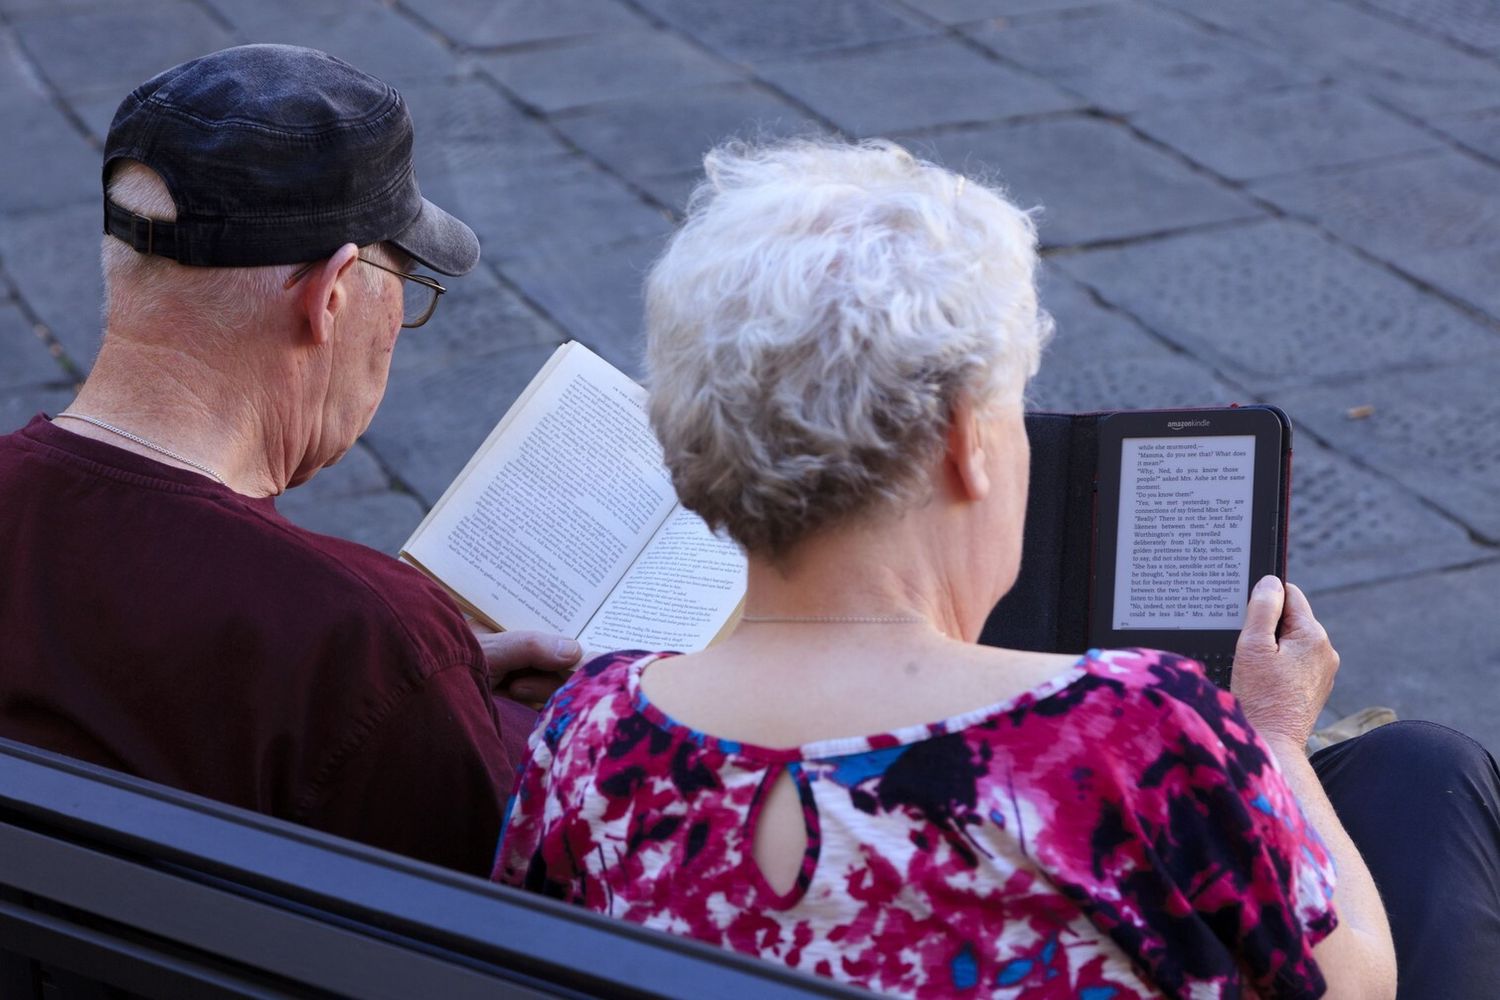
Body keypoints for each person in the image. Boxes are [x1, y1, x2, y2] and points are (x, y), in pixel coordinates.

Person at [495, 138, 1500, 997]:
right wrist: (1275, 738)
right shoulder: (1126, 733)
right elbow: (1346, 983)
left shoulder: (590, 736)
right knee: (1425, 775)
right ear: (968, 440)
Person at [0, 45, 579, 876]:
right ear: (332, 294)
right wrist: (413, 683)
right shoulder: (357, 642)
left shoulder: (358, 659)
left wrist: (429, 687)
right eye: (404, 284)